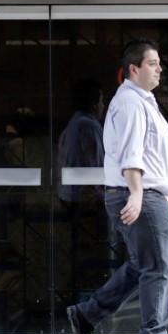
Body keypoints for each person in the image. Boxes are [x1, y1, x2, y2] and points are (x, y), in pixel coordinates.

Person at [66, 38, 168, 334]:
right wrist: (139, 192)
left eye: (159, 63)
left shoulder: (142, 100)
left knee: (142, 266)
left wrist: (163, 190)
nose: (160, 69)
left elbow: (148, 153)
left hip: (147, 193)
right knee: (159, 265)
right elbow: (131, 152)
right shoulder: (132, 102)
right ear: (133, 69)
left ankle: (87, 314)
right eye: (153, 63)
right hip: (137, 193)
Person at [56, 78, 105, 303]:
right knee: (93, 258)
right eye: (102, 101)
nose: (104, 106)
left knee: (80, 258)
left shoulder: (72, 125)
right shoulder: (89, 125)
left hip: (71, 198)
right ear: (95, 103)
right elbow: (97, 168)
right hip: (87, 202)